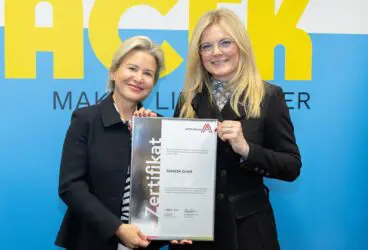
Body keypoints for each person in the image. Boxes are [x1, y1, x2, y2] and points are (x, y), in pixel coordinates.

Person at [172, 8, 302, 250]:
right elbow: (175, 169)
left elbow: (291, 166)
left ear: (240, 46)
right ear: (199, 55)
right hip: (195, 232)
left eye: (225, 42)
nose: (216, 52)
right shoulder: (187, 99)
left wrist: (246, 149)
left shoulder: (268, 96)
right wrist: (173, 222)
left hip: (248, 231)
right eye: (206, 46)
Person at [55, 36, 170, 250]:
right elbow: (70, 186)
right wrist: (117, 228)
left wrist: (177, 229)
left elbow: (171, 188)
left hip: (146, 243)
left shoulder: (158, 126)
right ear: (113, 72)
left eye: (148, 73)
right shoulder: (86, 119)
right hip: (93, 241)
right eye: (132, 68)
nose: (139, 78)